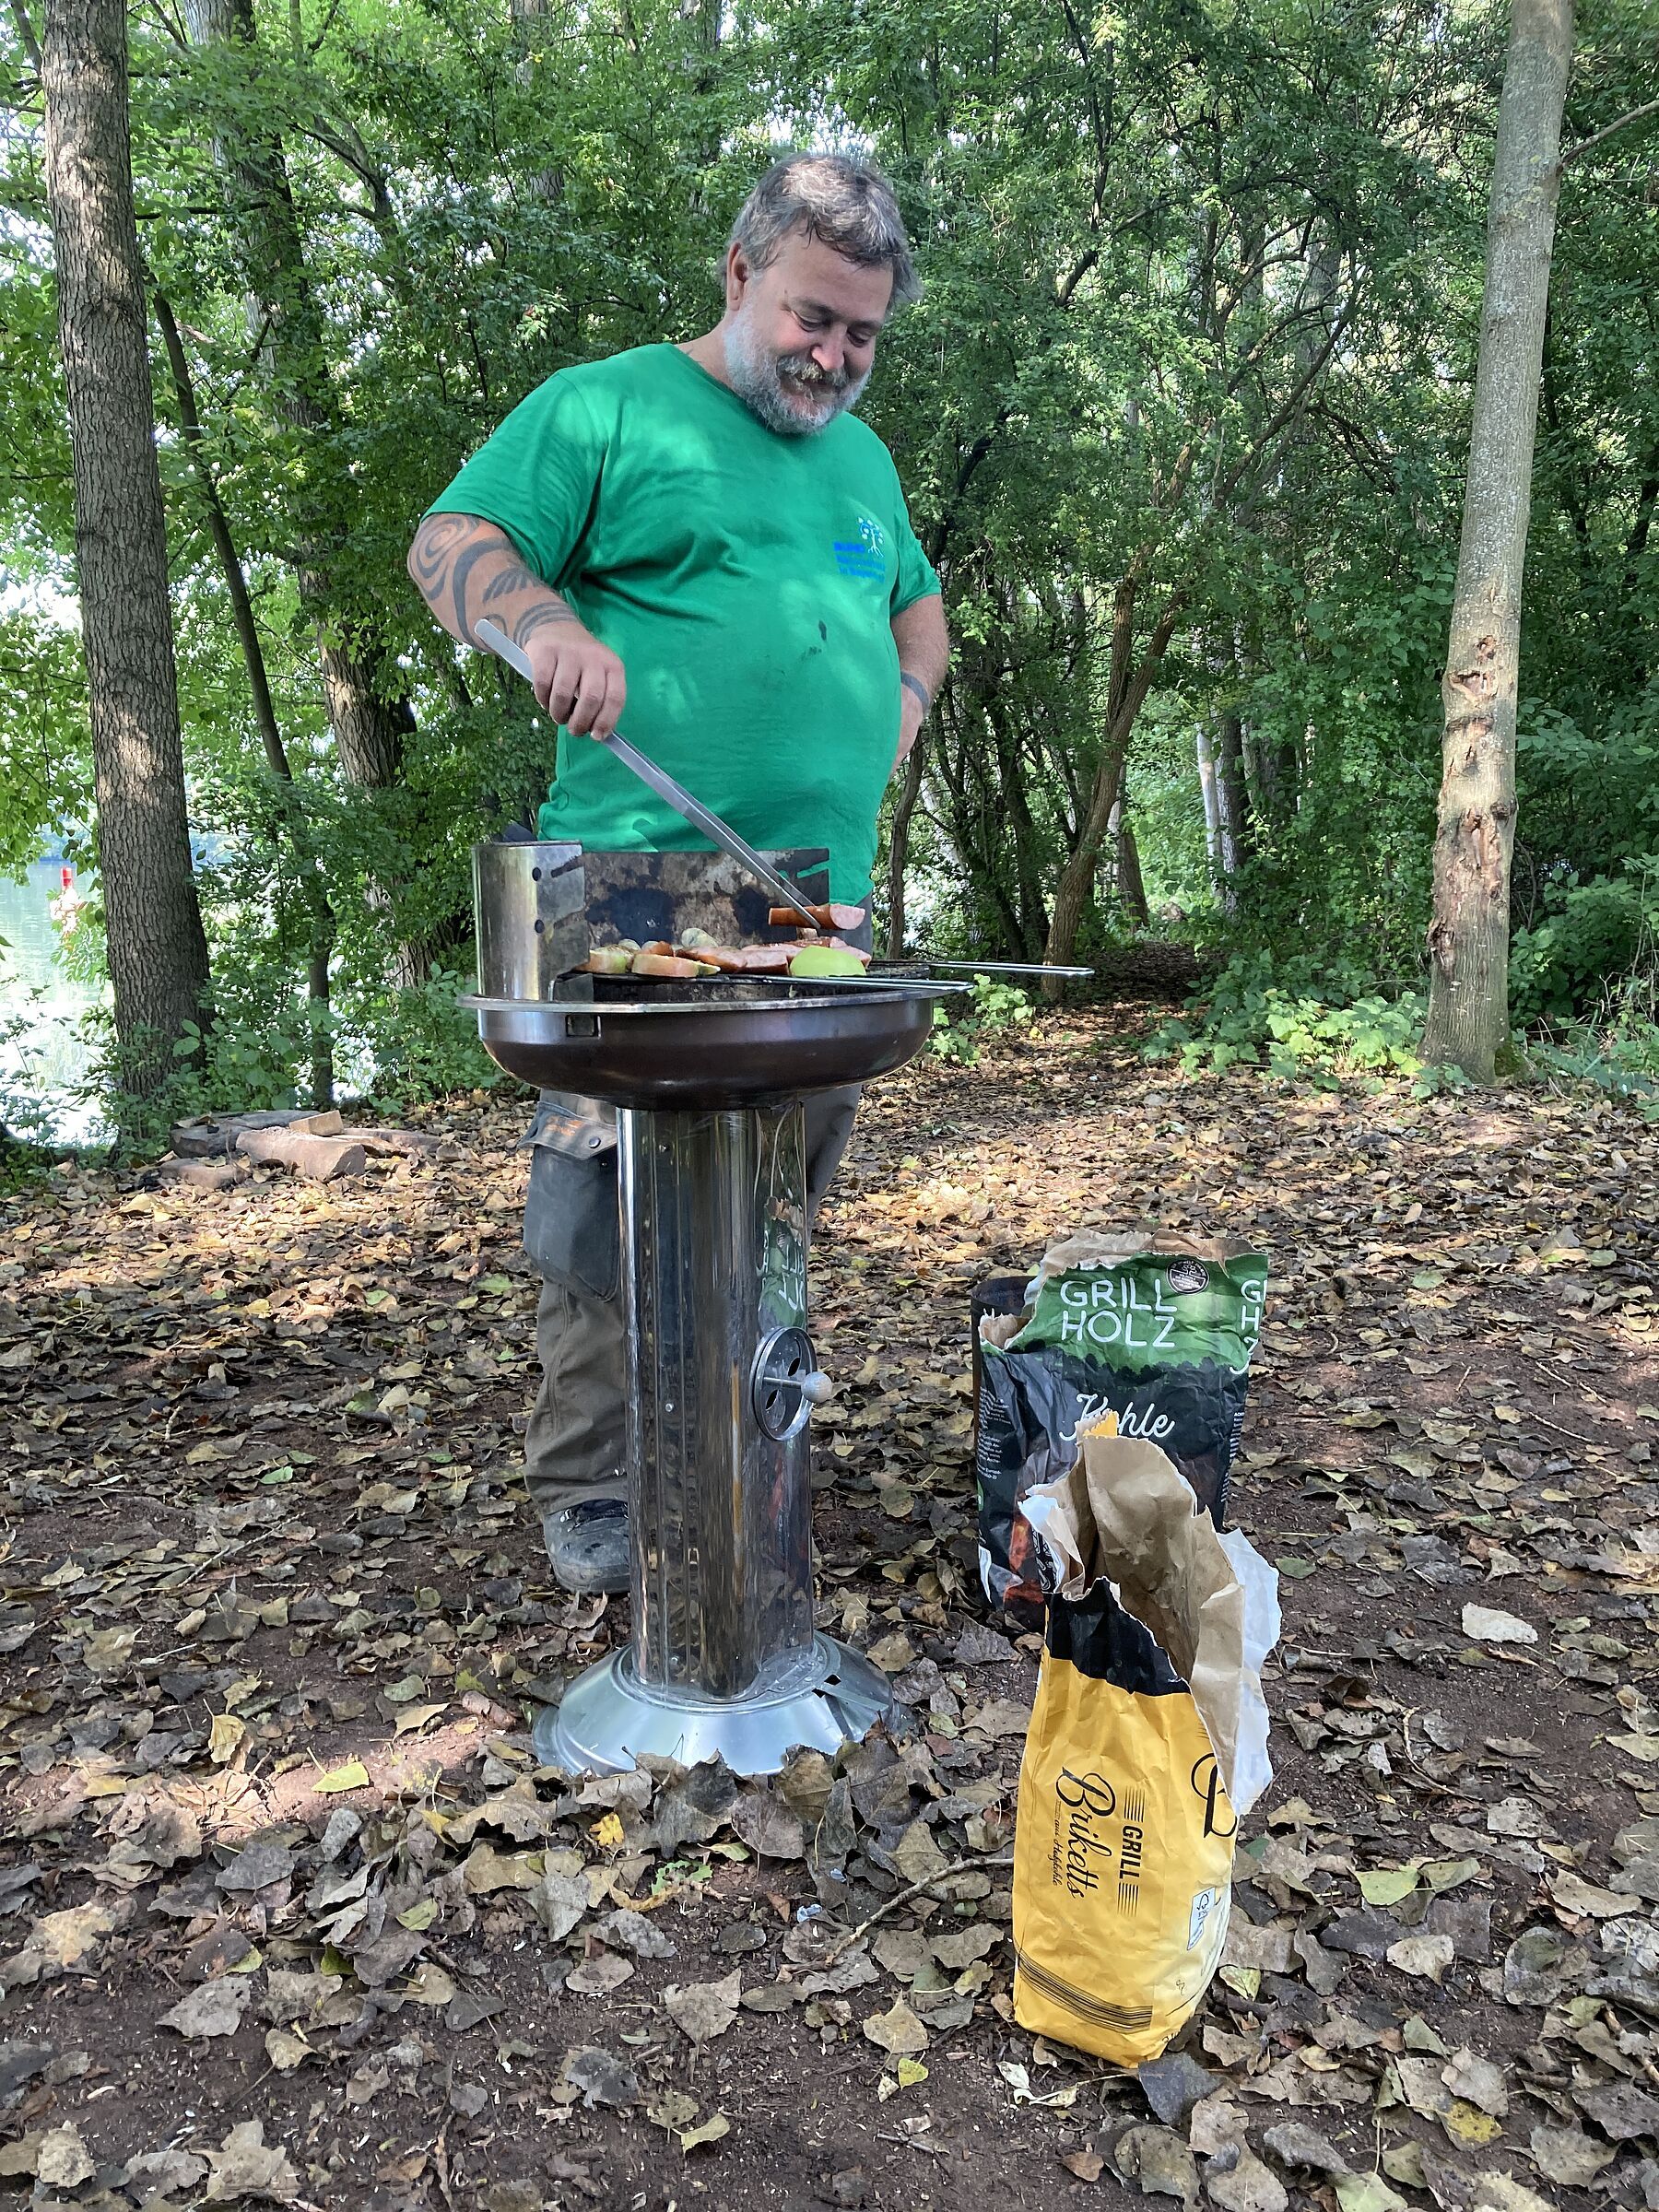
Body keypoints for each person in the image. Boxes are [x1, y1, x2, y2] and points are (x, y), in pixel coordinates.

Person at [408, 151, 949, 1594]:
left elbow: (921, 617)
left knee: (776, 1194)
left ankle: (739, 1437)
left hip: (807, 906)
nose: (835, 354)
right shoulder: (605, 405)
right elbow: (452, 540)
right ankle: (590, 1487)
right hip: (632, 891)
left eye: (862, 332)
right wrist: (540, 631)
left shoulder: (863, 459)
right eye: (812, 317)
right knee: (599, 1211)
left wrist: (895, 711)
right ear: (739, 274)